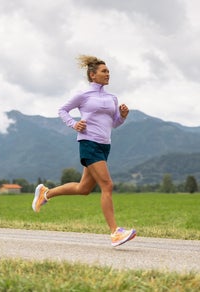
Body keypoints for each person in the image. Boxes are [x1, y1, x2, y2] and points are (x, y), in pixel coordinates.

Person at [32, 55, 136, 247]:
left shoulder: (112, 98)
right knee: (107, 185)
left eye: (108, 71)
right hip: (89, 143)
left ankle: (45, 194)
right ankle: (115, 232)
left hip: (105, 145)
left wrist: (122, 116)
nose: (108, 74)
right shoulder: (83, 96)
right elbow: (62, 110)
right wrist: (74, 124)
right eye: (104, 71)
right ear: (92, 75)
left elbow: (113, 124)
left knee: (84, 189)